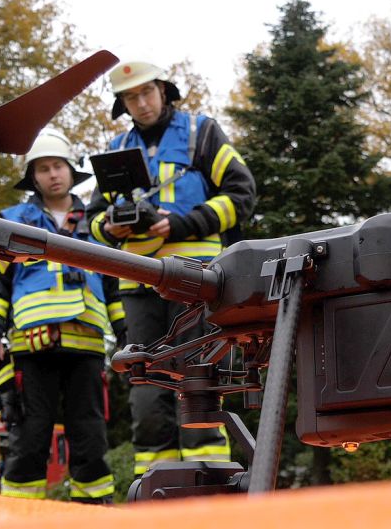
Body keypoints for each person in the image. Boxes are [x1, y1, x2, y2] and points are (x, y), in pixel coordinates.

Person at [89, 61, 256, 477]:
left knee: (198, 380)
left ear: (164, 91)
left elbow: (242, 194)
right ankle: (156, 489)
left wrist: (182, 223)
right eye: (131, 97)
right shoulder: (114, 148)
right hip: (139, 282)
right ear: (121, 103)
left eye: (147, 92)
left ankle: (210, 483)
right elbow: (92, 221)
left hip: (196, 280)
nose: (141, 103)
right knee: (146, 390)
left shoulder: (201, 133)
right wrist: (109, 226)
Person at [0, 127, 124, 504]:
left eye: (58, 165)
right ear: (33, 178)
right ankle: (18, 516)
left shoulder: (98, 224)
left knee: (89, 435)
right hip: (32, 347)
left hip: (87, 346)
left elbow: (113, 285)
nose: (52, 174)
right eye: (43, 168)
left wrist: (126, 333)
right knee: (29, 435)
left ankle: (91, 514)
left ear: (71, 171)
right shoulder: (11, 222)